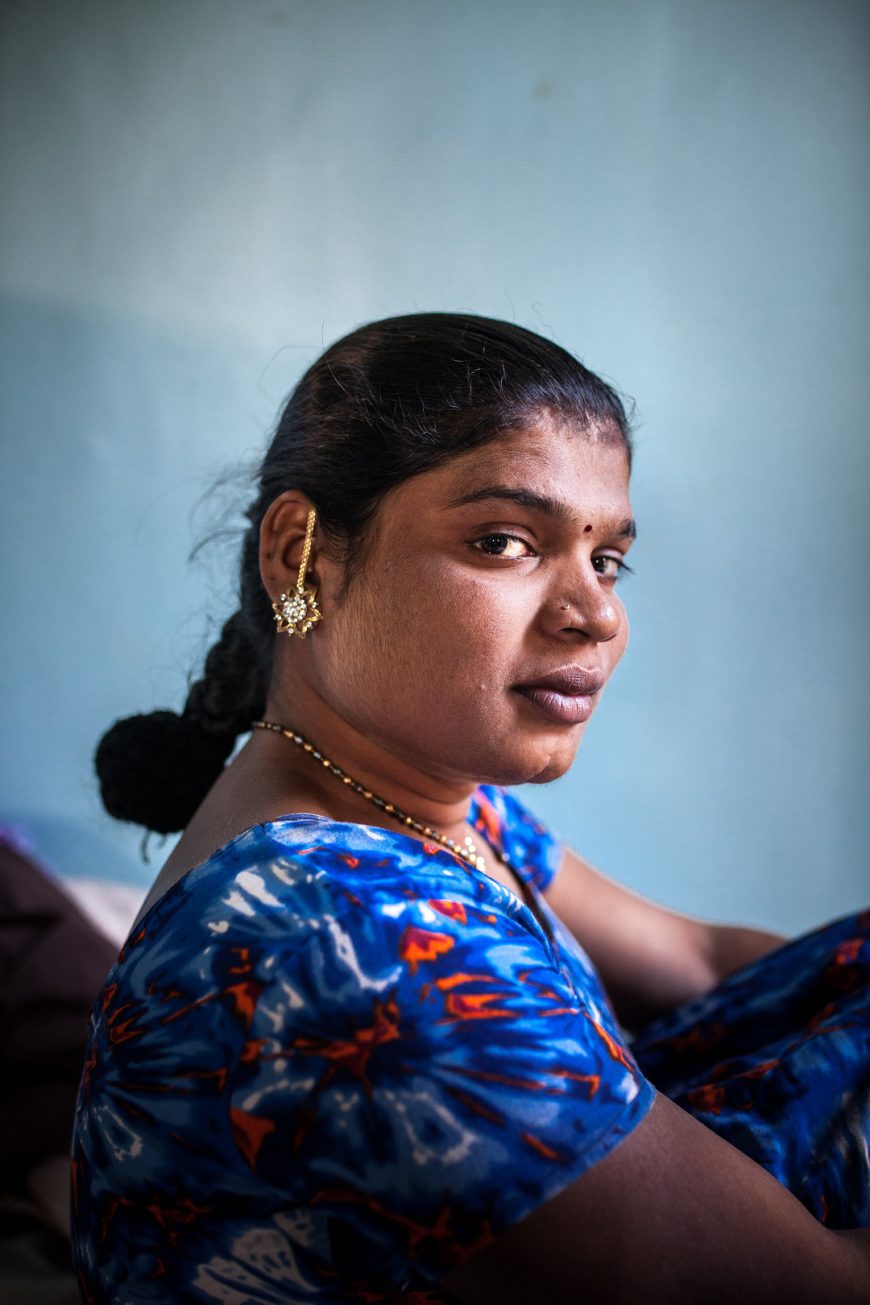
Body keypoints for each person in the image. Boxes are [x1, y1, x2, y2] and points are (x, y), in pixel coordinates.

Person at [72, 313, 869, 1302]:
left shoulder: (418, 805)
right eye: (504, 542)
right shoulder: (350, 931)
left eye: (607, 558)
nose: (598, 614)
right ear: (301, 555)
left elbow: (700, 962)